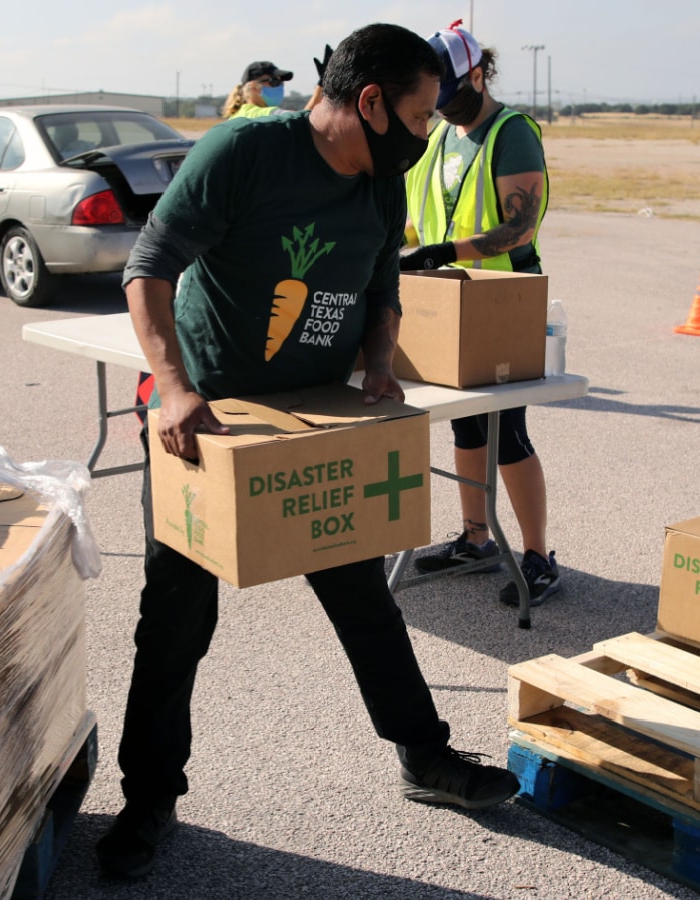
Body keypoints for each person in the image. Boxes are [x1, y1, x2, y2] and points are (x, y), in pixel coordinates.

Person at [98, 22, 519, 881]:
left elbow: (382, 289)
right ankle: (148, 799)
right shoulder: (243, 155)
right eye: (419, 113)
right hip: (211, 427)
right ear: (369, 104)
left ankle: (423, 758)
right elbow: (149, 267)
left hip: (315, 423)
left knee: (364, 596)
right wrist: (175, 387)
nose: (430, 130)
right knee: (177, 616)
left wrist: (374, 361)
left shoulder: (382, 180)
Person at [401, 22, 559, 607]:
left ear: (476, 74)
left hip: (502, 300)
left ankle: (539, 554)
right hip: (446, 297)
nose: (439, 110)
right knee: (464, 423)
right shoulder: (440, 136)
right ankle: (476, 538)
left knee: (507, 431)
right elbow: (419, 212)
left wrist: (447, 252)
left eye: (446, 96)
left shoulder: (510, 133)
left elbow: (520, 225)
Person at [221, 60, 293, 119]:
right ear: (254, 86)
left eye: (281, 83)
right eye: (275, 82)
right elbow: (296, 118)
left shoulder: (235, 116)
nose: (279, 87)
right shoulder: (262, 114)